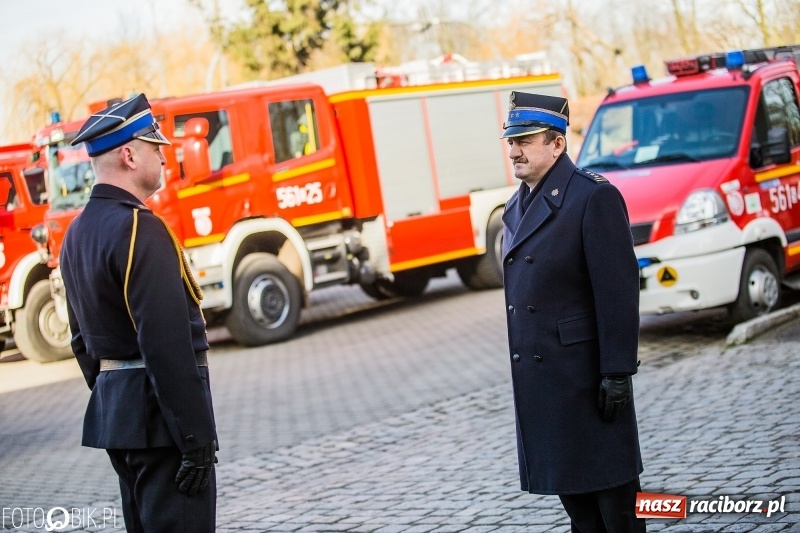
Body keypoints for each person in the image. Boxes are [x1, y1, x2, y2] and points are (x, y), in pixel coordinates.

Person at [60, 94, 218, 532]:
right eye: (155, 147)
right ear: (129, 155)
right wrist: (195, 438)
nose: (164, 157)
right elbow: (167, 344)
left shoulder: (77, 233)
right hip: (164, 424)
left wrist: (117, 393)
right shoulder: (139, 227)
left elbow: (81, 341)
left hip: (123, 418)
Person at [499, 91, 645, 532]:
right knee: (579, 511)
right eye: (511, 141)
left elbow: (618, 291)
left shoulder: (591, 198)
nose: (514, 150)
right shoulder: (514, 206)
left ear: (557, 144)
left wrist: (617, 371)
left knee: (618, 508)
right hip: (546, 385)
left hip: (587, 381)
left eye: (526, 140)